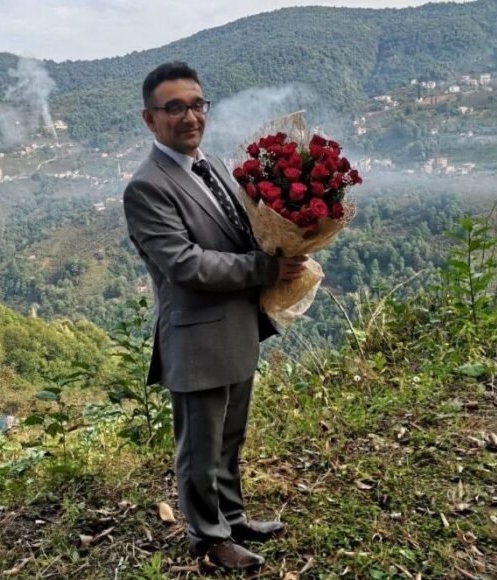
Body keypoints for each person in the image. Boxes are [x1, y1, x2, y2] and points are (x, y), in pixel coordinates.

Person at [122, 61, 307, 570]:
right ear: (150, 118)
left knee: (230, 437)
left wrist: (293, 233)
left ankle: (234, 517)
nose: (189, 116)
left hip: (237, 328)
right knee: (199, 449)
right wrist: (265, 267)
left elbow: (246, 227)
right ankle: (208, 539)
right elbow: (185, 265)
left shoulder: (216, 165)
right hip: (197, 338)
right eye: (174, 107)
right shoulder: (147, 187)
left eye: (197, 104)